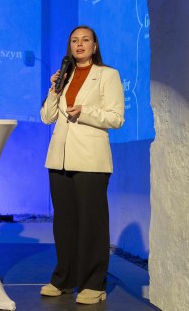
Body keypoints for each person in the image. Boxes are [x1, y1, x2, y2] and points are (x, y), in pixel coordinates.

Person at [39, 25, 125, 305]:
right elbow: (47, 117)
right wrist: (54, 90)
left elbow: (116, 118)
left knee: (92, 223)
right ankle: (64, 280)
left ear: (95, 46)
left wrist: (85, 111)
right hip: (60, 158)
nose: (79, 44)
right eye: (74, 40)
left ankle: (93, 284)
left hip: (90, 159)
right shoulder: (65, 77)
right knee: (64, 224)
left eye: (85, 40)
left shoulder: (107, 75)